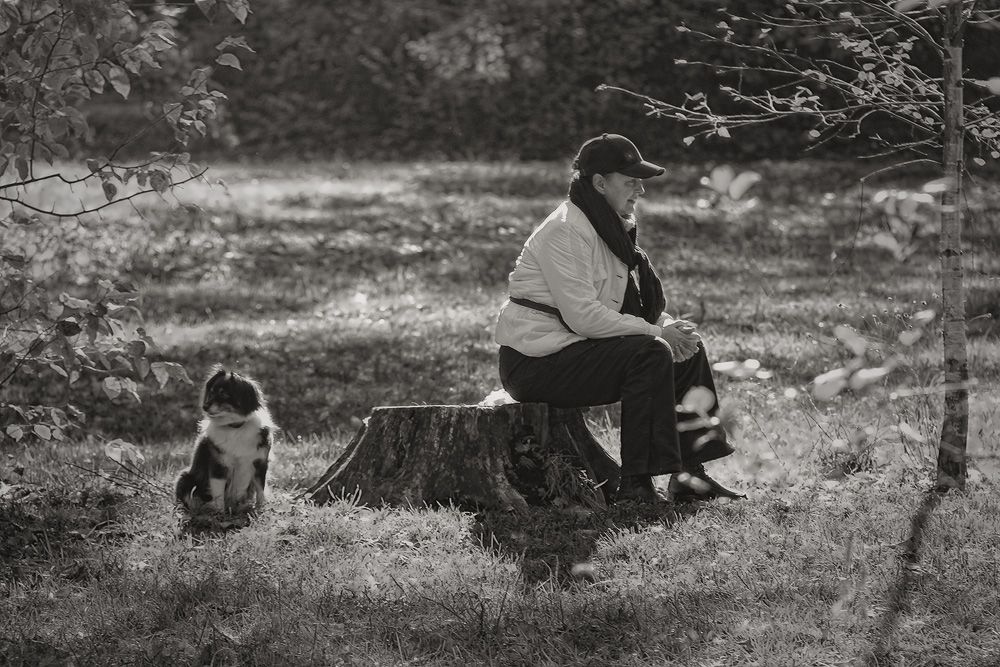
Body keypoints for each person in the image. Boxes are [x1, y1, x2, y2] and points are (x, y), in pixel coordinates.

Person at [493, 133, 744, 504]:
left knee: (686, 347)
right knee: (650, 351)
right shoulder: (566, 230)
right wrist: (657, 332)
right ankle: (636, 487)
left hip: (578, 350)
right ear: (599, 183)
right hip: (536, 365)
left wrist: (669, 328)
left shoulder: (608, 224)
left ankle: (690, 477)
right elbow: (584, 318)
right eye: (630, 181)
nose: (639, 190)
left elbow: (621, 304)